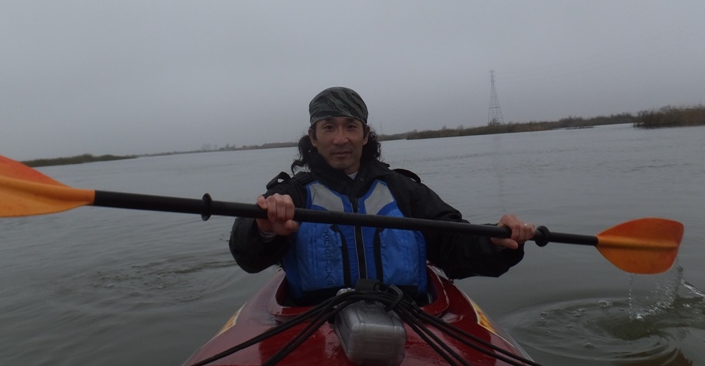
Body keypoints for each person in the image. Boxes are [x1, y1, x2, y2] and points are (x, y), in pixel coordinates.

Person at [229, 86, 535, 304]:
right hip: (314, 320)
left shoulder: (404, 190)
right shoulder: (290, 193)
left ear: (365, 135)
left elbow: (454, 248)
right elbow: (248, 254)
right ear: (313, 137)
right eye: (329, 127)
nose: (341, 138)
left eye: (351, 126)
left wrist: (496, 241)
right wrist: (264, 228)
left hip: (405, 314)